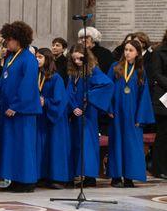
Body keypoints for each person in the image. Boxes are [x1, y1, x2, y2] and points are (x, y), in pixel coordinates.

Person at [0, 21, 42, 192]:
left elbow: (28, 85)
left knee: (24, 145)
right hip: (8, 109)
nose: (7, 43)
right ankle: (15, 178)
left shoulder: (28, 59)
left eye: (9, 39)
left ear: (18, 40)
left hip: (23, 111)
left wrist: (16, 105)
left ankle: (27, 181)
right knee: (11, 146)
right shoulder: (10, 57)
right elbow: (3, 80)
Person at [107, 40, 155, 188]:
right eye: (126, 49)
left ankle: (129, 176)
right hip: (117, 112)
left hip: (133, 114)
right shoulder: (115, 67)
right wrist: (109, 108)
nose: (127, 53)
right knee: (116, 143)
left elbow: (144, 95)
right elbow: (107, 88)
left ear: (138, 53)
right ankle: (116, 177)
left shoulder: (140, 71)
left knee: (132, 145)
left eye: (131, 50)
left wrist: (140, 117)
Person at [67, 43, 113, 187]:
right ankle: (79, 173)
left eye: (80, 59)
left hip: (88, 114)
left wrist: (89, 96)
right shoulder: (72, 73)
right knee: (77, 144)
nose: (77, 62)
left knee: (88, 144)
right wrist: (73, 107)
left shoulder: (93, 71)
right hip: (76, 114)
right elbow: (69, 91)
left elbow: (107, 85)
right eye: (74, 59)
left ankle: (90, 176)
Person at [35, 48, 71, 189]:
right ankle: (42, 175)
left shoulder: (56, 78)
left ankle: (58, 178)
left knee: (55, 147)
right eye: (36, 56)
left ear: (47, 59)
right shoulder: (36, 75)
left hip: (54, 118)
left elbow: (60, 100)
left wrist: (47, 102)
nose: (37, 59)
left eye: (40, 57)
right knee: (42, 147)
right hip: (41, 117)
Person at [151, 29, 167, 179]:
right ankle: (158, 167)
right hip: (163, 97)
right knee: (163, 134)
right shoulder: (159, 51)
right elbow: (157, 73)